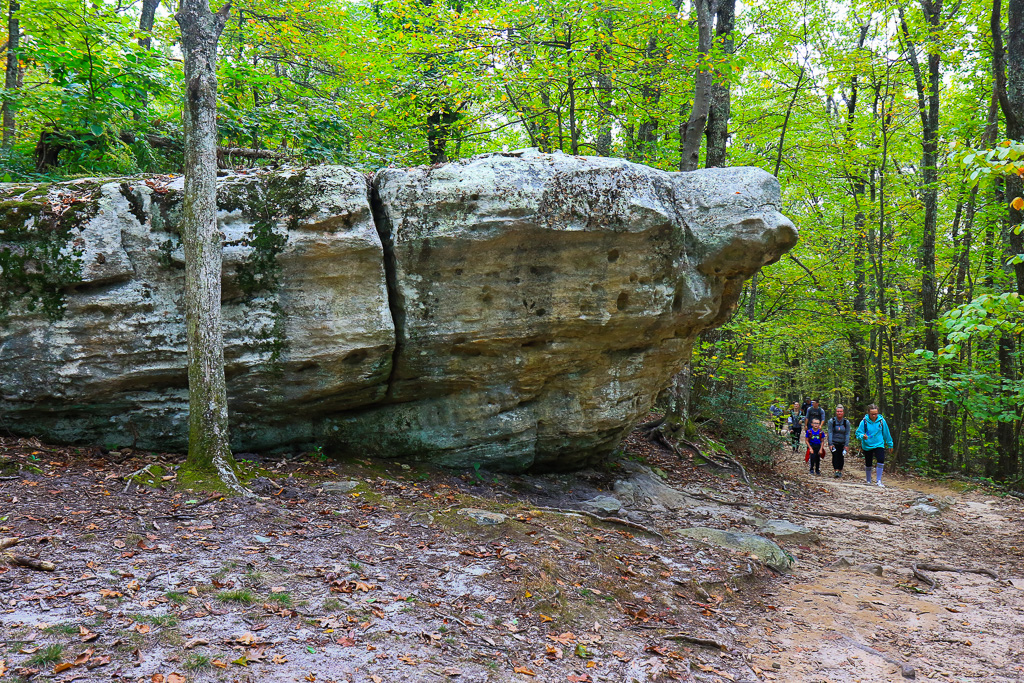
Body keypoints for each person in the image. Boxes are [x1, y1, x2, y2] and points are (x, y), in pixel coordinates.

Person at [856, 404, 893, 487]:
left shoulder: (881, 421)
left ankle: (878, 480)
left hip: (879, 444)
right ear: (868, 413)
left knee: (881, 459)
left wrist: (890, 444)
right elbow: (858, 433)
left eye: (875, 414)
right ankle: (868, 480)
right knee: (868, 462)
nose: (874, 416)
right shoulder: (864, 422)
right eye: (872, 414)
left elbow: (886, 433)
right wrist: (862, 436)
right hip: (867, 444)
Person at [826, 405, 852, 479]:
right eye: (838, 411)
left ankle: (840, 470)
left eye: (840, 411)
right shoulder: (832, 421)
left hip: (842, 442)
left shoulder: (846, 422)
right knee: (835, 456)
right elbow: (830, 432)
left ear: (843, 413)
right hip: (834, 442)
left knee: (841, 457)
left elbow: (847, 433)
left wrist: (846, 445)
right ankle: (836, 471)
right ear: (836, 412)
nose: (839, 413)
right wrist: (830, 443)